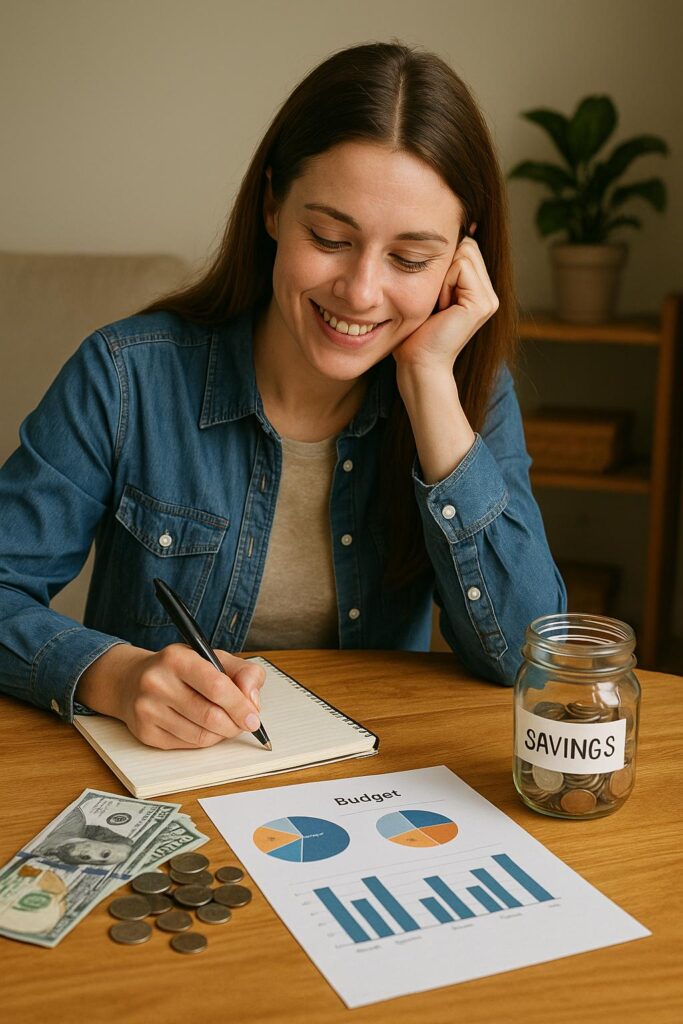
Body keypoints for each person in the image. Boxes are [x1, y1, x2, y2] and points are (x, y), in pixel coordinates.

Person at [0, 41, 565, 751]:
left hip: (366, 794)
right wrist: (113, 676)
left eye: (409, 259)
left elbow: (524, 658)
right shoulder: (124, 377)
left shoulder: (464, 393)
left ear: (460, 256)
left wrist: (427, 384)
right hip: (165, 779)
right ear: (272, 207)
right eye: (329, 237)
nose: (360, 291)